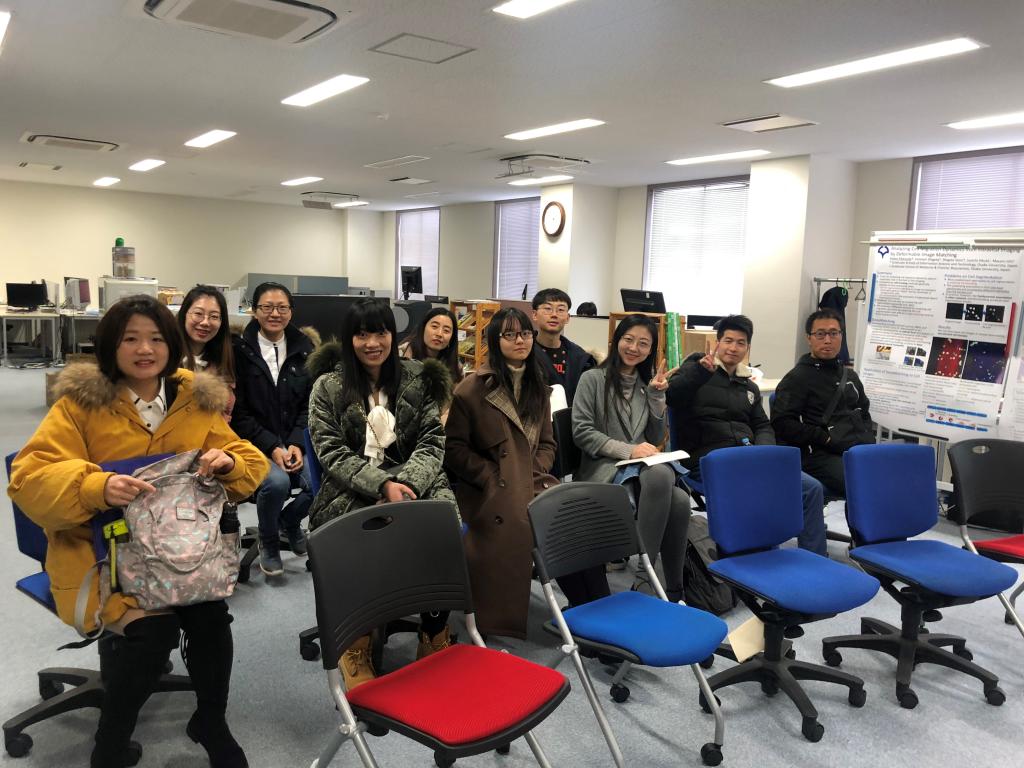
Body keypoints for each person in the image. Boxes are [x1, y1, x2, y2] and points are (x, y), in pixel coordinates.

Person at [8, 295, 267, 768]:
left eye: (155, 338)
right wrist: (95, 487)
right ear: (111, 345)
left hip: (179, 554)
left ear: (171, 344)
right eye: (130, 339)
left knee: (212, 622)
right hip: (100, 558)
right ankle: (110, 744)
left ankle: (211, 721)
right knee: (152, 632)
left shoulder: (193, 398)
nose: (145, 349)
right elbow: (28, 479)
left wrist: (228, 461)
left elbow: (249, 461)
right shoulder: (81, 404)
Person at [306, 298, 456, 689]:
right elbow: (331, 452)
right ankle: (354, 644)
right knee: (358, 542)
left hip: (417, 482)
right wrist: (381, 485)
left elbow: (432, 442)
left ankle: (434, 633)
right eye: (362, 334)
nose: (372, 343)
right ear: (349, 339)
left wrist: (407, 484)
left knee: (442, 532)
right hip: (350, 485)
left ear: (393, 334)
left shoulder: (419, 378)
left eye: (380, 332)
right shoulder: (328, 386)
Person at [666, 315, 827, 556]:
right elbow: (672, 396)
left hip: (749, 457)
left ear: (747, 348)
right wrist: (700, 373)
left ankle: (814, 558)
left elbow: (763, 424)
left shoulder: (748, 386)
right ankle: (758, 553)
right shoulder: (696, 370)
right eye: (728, 341)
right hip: (709, 459)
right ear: (717, 343)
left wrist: (762, 451)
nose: (733, 347)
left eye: (740, 343)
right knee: (755, 488)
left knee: (811, 488)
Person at [445, 307, 558, 638]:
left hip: (532, 480)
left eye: (525, 333)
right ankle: (497, 621)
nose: (520, 340)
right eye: (509, 335)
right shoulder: (472, 389)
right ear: (495, 340)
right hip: (489, 490)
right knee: (515, 520)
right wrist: (489, 477)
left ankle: (588, 608)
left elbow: (548, 444)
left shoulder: (539, 387)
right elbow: (454, 449)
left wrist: (534, 470)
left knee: (573, 514)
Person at [573, 314, 691, 602]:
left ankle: (672, 589)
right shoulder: (592, 379)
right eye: (629, 339)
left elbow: (655, 436)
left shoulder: (645, 383)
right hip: (605, 466)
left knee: (680, 501)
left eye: (643, 343)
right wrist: (628, 450)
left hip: (640, 470)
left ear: (650, 350)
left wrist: (656, 398)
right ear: (616, 340)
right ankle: (647, 580)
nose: (634, 348)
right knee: (664, 478)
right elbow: (582, 432)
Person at [231, 282, 315, 577]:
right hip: (254, 444)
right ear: (254, 311)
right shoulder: (239, 352)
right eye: (267, 307)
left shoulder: (305, 349)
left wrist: (296, 444)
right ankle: (268, 541)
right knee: (277, 483)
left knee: (320, 483)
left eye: (282, 307)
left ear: (291, 311)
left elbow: (309, 405)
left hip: (294, 441)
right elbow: (238, 414)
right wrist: (273, 447)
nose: (275, 313)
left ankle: (287, 522)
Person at [771, 309, 874, 497]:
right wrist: (823, 437)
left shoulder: (850, 376)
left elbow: (864, 412)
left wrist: (868, 440)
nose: (827, 340)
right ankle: (861, 517)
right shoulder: (797, 378)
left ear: (841, 336)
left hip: (857, 448)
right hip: (819, 454)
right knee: (864, 484)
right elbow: (782, 423)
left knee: (888, 476)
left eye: (833, 333)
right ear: (809, 338)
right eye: (820, 334)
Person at [178, 284, 236, 420]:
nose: (205, 322)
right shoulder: (165, 356)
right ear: (184, 314)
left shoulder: (228, 357)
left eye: (214, 316)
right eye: (198, 314)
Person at [531, 288, 597, 406]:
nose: (554, 315)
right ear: (535, 315)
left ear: (567, 318)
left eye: (560, 310)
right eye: (548, 309)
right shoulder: (524, 352)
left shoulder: (581, 358)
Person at [397, 306, 463, 422]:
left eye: (446, 330)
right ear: (423, 328)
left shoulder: (456, 367)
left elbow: (456, 405)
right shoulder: (401, 356)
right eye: (434, 327)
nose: (439, 334)